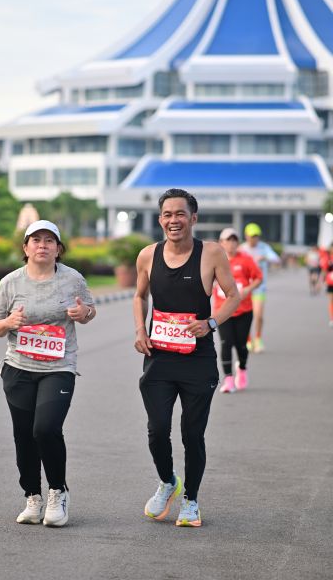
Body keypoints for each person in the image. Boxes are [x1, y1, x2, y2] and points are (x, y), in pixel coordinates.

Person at [134, 188, 240, 527]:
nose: (173, 220)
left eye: (180, 213)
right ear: (160, 219)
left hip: (197, 360)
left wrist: (210, 323)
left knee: (192, 434)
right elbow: (139, 296)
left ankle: (191, 500)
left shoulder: (211, 253)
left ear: (193, 218)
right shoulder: (148, 255)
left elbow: (233, 296)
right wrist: (140, 329)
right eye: (167, 214)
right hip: (159, 358)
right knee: (157, 430)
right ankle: (168, 482)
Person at [0, 220, 96, 527]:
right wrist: (8, 323)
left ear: (58, 249)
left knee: (45, 429)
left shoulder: (72, 279)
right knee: (23, 435)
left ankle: (58, 491)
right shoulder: (10, 282)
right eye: (36, 240)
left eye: (49, 241)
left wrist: (83, 313)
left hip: (59, 367)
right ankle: (32, 496)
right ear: (25, 247)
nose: (42, 245)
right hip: (18, 368)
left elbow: (90, 311)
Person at [213, 228, 263, 394]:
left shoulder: (245, 259)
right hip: (222, 312)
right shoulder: (215, 261)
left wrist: (248, 289)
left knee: (241, 345)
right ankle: (228, 379)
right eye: (228, 240)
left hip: (243, 310)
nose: (231, 243)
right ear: (221, 243)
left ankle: (242, 368)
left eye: (234, 240)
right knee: (226, 343)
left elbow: (258, 277)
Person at [240, 223, 281, 353]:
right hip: (245, 288)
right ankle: (248, 340)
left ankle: (258, 339)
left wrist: (265, 257)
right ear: (246, 236)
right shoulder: (242, 249)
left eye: (256, 236)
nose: (254, 238)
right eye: (252, 236)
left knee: (258, 315)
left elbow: (276, 259)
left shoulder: (264, 248)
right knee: (244, 316)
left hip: (259, 287)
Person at [320, 242, 333, 327]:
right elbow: (324, 270)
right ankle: (332, 318)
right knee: (331, 301)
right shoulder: (327, 258)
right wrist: (322, 281)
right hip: (330, 282)